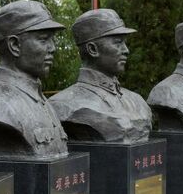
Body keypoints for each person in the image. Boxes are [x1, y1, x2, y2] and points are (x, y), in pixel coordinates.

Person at [0, 0, 69, 159]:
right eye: (43, 39)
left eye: (52, 40)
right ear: (14, 45)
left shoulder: (41, 100)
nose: (53, 48)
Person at [49, 8, 152, 143]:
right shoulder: (62, 105)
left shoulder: (138, 102)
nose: (126, 50)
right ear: (93, 49)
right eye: (118, 42)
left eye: (124, 42)